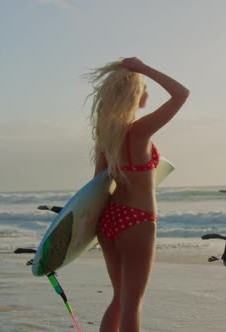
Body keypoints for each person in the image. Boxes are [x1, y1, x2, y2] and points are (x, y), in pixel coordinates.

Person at [86, 57, 189, 332]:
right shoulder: (140, 130)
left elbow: (97, 183)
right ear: (133, 94)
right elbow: (182, 94)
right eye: (144, 87)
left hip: (109, 220)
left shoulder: (107, 136)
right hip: (138, 219)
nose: (147, 93)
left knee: (119, 299)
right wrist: (144, 68)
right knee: (133, 304)